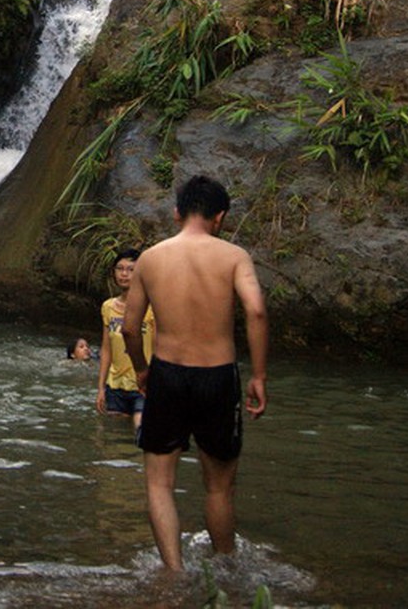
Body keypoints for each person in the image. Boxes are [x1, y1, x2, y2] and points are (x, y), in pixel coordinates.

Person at [122, 175, 269, 572]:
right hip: (218, 376)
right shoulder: (234, 256)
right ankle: (226, 569)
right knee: (219, 487)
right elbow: (256, 310)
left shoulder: (150, 258)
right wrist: (258, 375)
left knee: (158, 483)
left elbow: (130, 328)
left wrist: (142, 370)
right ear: (219, 217)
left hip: (168, 374)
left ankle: (173, 573)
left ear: (176, 212)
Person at [96, 248, 155, 429]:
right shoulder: (108, 307)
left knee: (141, 433)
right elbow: (106, 349)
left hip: (144, 385)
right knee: (114, 437)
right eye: (119, 268)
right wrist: (101, 388)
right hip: (115, 385)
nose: (124, 274)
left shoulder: (152, 307)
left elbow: (161, 345)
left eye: (131, 269)